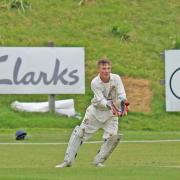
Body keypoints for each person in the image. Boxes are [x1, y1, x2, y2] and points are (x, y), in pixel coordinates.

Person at [55, 58, 129, 168]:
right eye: (104, 68)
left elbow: (122, 95)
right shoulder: (95, 82)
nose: (106, 71)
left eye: (108, 68)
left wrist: (123, 108)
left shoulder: (116, 78)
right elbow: (101, 100)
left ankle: (98, 161)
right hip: (95, 112)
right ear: (99, 69)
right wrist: (114, 107)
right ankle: (67, 161)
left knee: (112, 137)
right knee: (80, 133)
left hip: (110, 114)